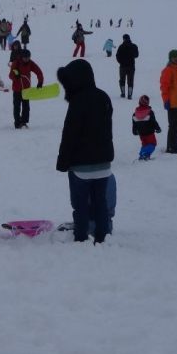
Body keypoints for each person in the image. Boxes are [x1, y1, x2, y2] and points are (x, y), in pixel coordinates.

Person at [56, 59, 114, 243]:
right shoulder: (103, 97)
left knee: (80, 206)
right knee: (100, 204)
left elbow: (69, 134)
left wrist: (62, 162)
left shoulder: (77, 101)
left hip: (80, 168)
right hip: (104, 165)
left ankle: (81, 238)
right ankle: (103, 238)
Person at [8, 49, 43, 129]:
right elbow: (10, 76)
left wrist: (40, 82)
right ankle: (17, 123)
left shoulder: (30, 63)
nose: (27, 59)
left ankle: (24, 121)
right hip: (17, 89)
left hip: (26, 89)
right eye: (25, 58)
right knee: (17, 106)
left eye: (28, 57)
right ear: (22, 57)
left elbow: (39, 71)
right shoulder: (16, 63)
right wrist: (15, 76)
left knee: (26, 107)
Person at [160, 49, 177, 154]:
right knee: (173, 126)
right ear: (170, 58)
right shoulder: (168, 70)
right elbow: (164, 87)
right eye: (174, 57)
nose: (176, 59)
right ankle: (171, 147)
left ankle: (174, 146)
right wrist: (166, 100)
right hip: (172, 104)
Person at [132, 94, 161, 160]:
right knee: (152, 144)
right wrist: (158, 128)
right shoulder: (150, 112)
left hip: (141, 134)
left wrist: (134, 131)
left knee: (145, 144)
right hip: (150, 133)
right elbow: (153, 122)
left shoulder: (135, 113)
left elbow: (134, 123)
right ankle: (144, 154)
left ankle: (143, 155)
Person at [116, 34, 139, 99]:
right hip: (131, 66)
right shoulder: (134, 46)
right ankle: (129, 95)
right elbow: (136, 55)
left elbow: (117, 56)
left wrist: (120, 62)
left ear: (123, 39)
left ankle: (123, 93)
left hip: (122, 66)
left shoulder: (121, 46)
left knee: (122, 80)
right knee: (130, 81)